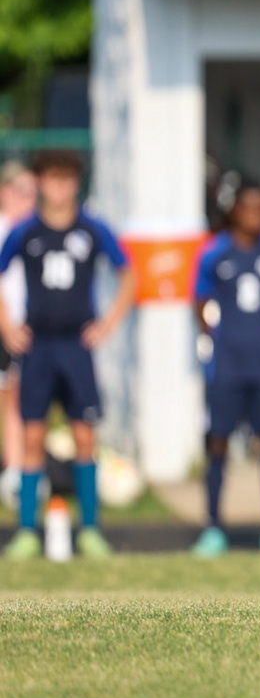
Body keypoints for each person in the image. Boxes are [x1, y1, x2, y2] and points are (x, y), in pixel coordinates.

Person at [0, 149, 134, 559]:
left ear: (77, 182)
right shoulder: (25, 232)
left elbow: (127, 273)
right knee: (33, 434)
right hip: (39, 344)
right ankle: (26, 529)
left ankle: (90, 528)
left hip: (76, 345)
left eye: (67, 179)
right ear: (40, 182)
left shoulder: (92, 229)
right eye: (52, 178)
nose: (60, 187)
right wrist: (7, 325)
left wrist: (108, 323)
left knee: (83, 434)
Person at [191, 177, 260, 557]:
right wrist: (218, 336)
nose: (258, 216)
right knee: (218, 442)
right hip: (228, 365)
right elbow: (199, 301)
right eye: (250, 208)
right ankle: (215, 527)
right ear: (233, 210)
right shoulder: (215, 253)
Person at [0, 160, 36, 511]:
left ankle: (15, 471)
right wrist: (6, 325)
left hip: (25, 327)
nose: (32, 199)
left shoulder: (30, 231)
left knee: (18, 397)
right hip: (6, 327)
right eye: (25, 191)